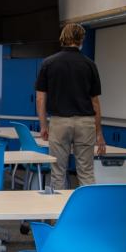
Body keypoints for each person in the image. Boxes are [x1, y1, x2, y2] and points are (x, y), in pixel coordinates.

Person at [35, 23, 106, 190]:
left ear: (63, 38)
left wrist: (44, 125)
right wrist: (99, 133)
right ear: (81, 39)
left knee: (58, 171)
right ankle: (88, 213)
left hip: (59, 122)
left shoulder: (48, 63)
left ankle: (60, 214)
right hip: (85, 122)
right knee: (86, 171)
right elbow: (95, 102)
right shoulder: (90, 64)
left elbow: (40, 98)